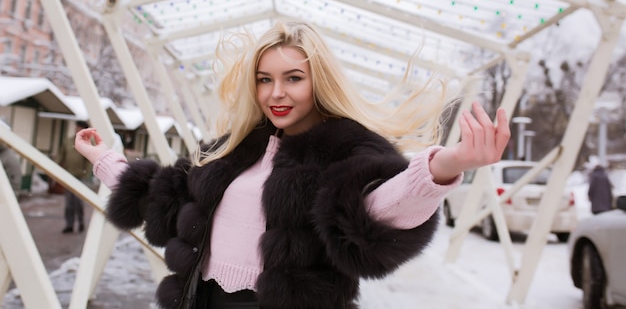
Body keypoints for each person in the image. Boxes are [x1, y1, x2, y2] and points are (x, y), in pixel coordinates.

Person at [75, 21, 510, 309]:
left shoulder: (348, 148)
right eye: (265, 80)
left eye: (293, 78)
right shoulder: (236, 146)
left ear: (319, 80)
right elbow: (165, 198)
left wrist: (444, 166)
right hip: (201, 298)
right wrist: (104, 160)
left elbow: (373, 210)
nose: (275, 93)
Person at [58, 120, 91, 233]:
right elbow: (61, 156)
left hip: (80, 177)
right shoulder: (68, 142)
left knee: (79, 202)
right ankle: (69, 225)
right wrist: (56, 168)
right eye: (76, 128)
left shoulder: (86, 143)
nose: (77, 130)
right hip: (69, 176)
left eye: (79, 128)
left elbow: (89, 160)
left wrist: (86, 173)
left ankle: (81, 223)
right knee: (69, 203)